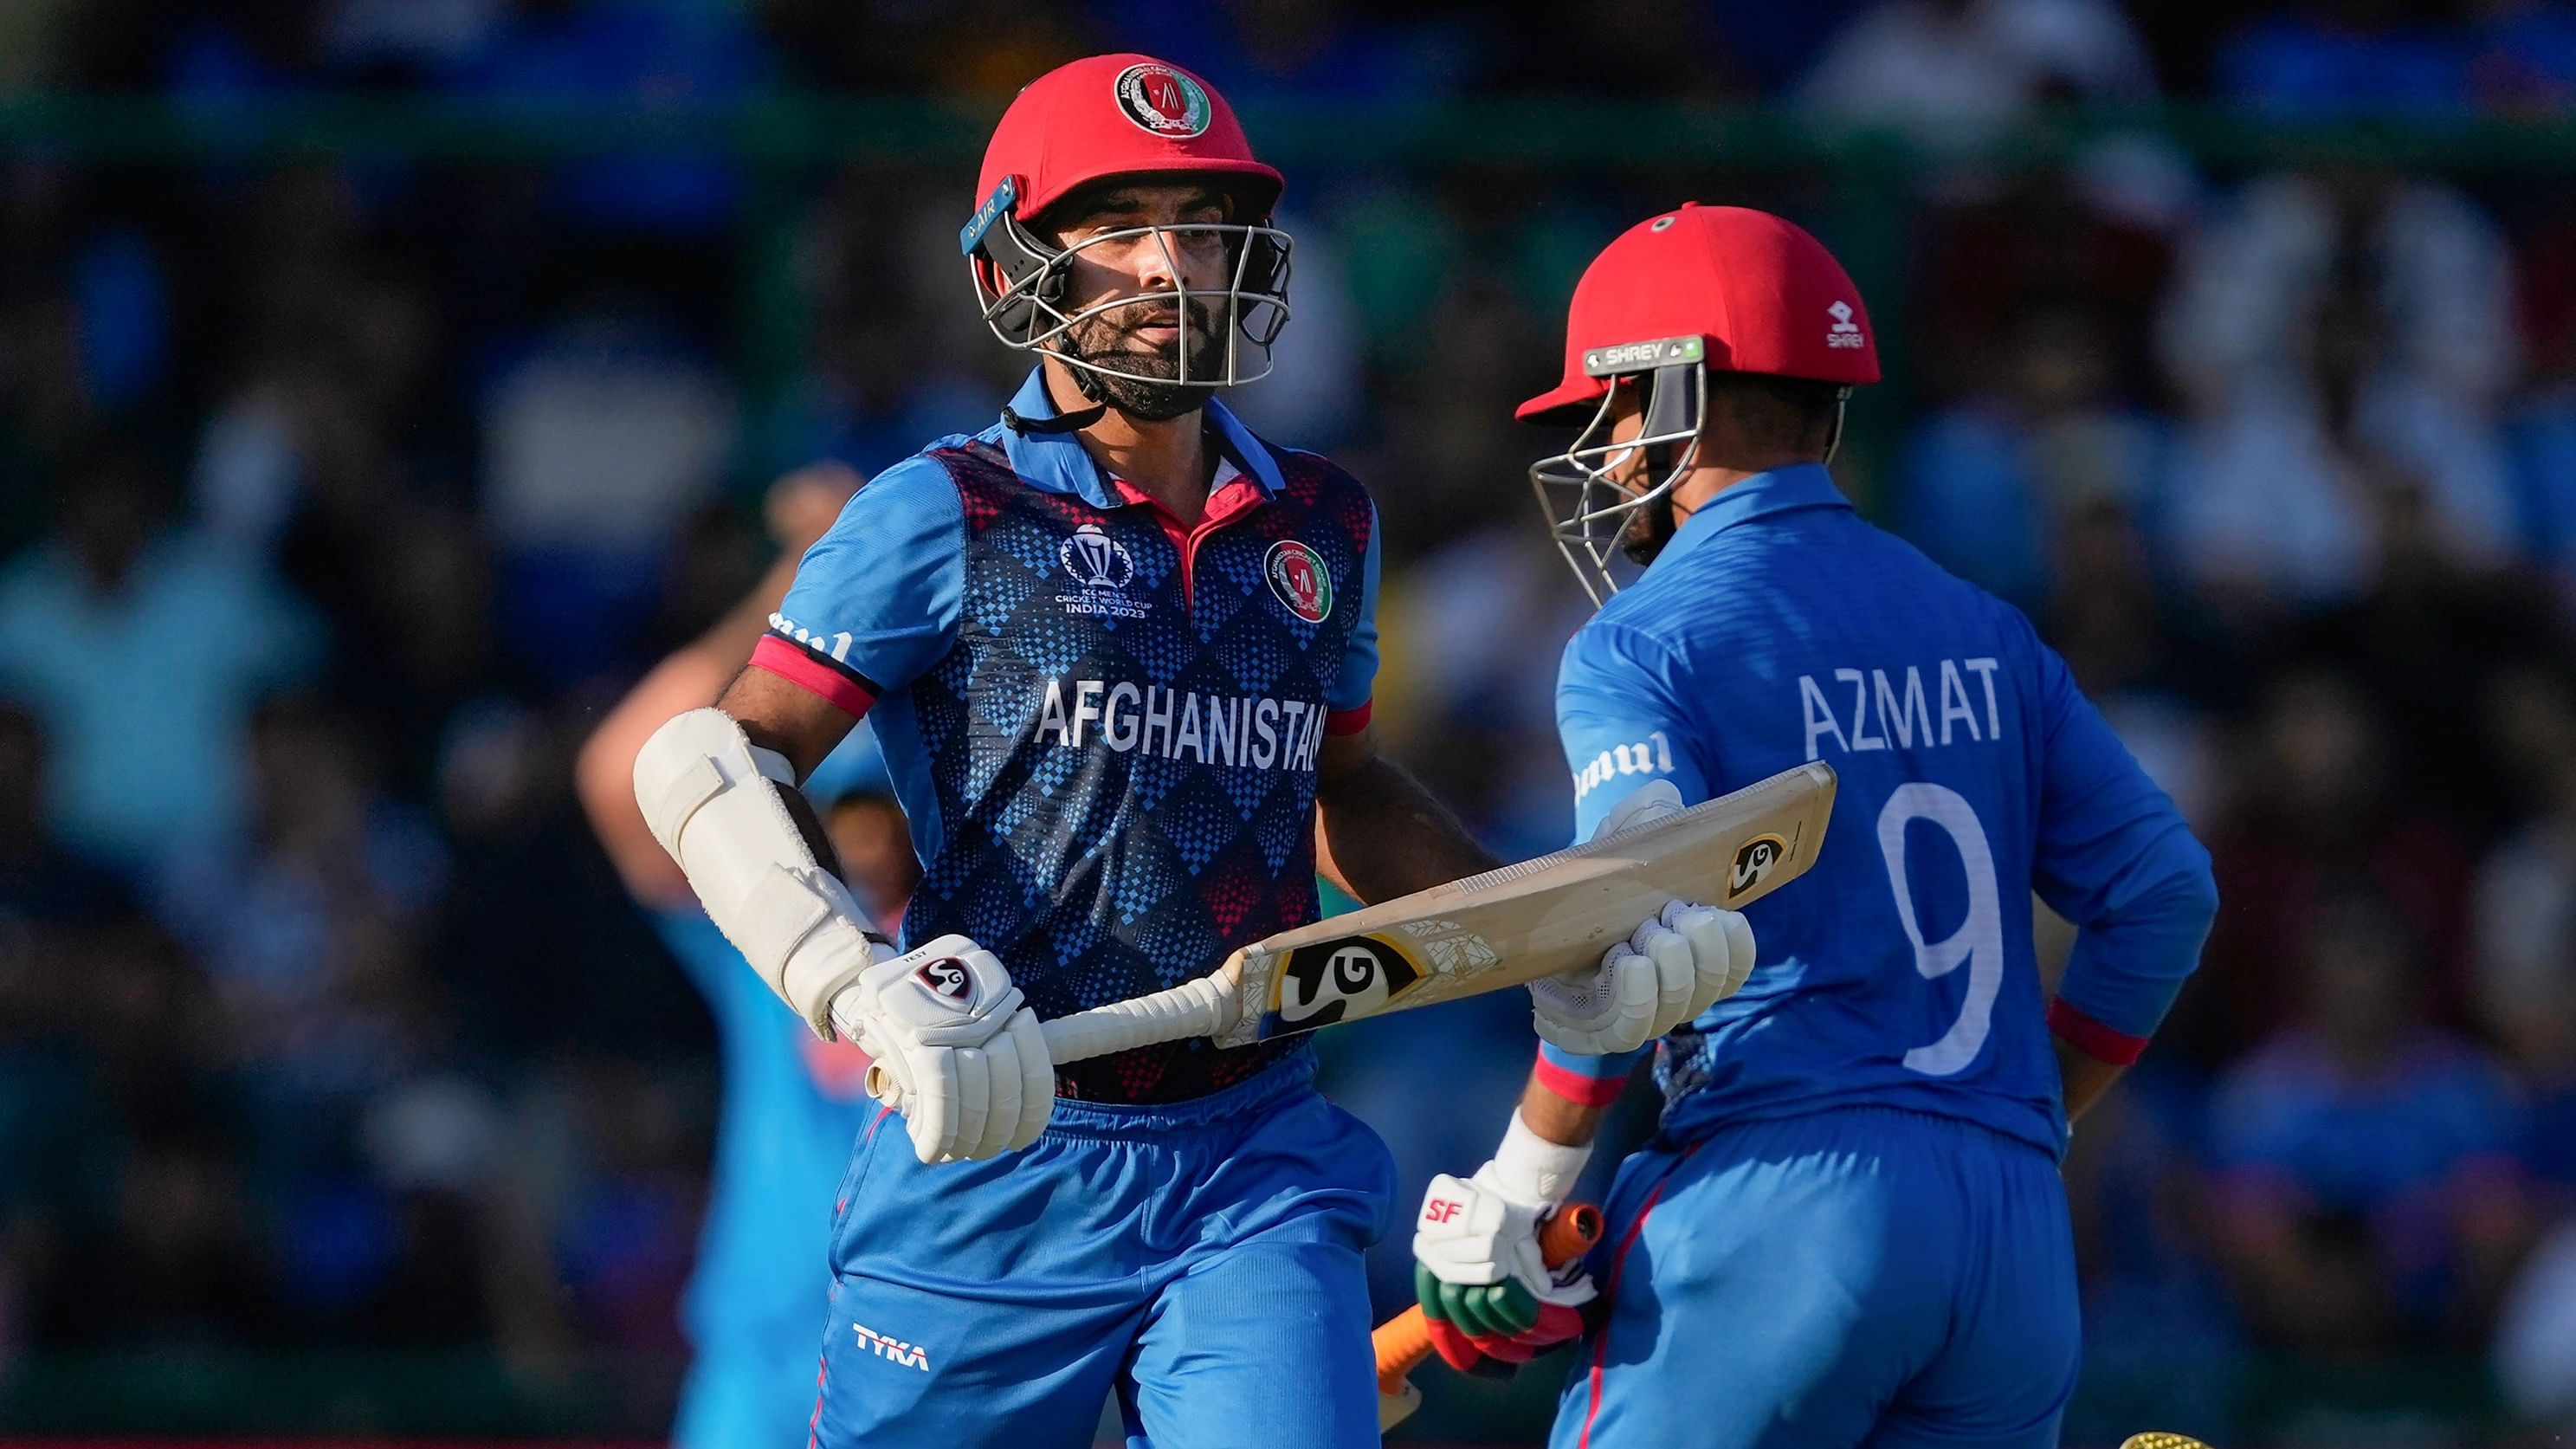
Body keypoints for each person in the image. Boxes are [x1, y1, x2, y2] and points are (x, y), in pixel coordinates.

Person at [623, 56, 1754, 1449]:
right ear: (1013, 267)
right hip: (996, 1147)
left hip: (1251, 1156)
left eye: (1200, 226)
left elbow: (1338, 791)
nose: (1169, 265)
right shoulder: (939, 510)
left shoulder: (1320, 521)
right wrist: (858, 987)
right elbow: (714, 761)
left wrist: (1557, 933)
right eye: (1119, 228)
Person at [1407, 204, 2220, 1448]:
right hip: (2006, 1234)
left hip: (1779, 1200)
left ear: (1675, 392)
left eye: (1614, 410)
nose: (1604, 448)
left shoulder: (1645, 639)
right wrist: (2028, 1112)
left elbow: (1628, 923)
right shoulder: (1982, 625)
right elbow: (2163, 892)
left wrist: (1516, 1190)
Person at [575, 463, 906, 1449]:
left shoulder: (993, 938)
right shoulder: (775, 929)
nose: (868, 837)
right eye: (843, 810)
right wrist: (803, 581)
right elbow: (626, 766)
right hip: (760, 1360)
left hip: (925, 1362)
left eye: (887, 808)